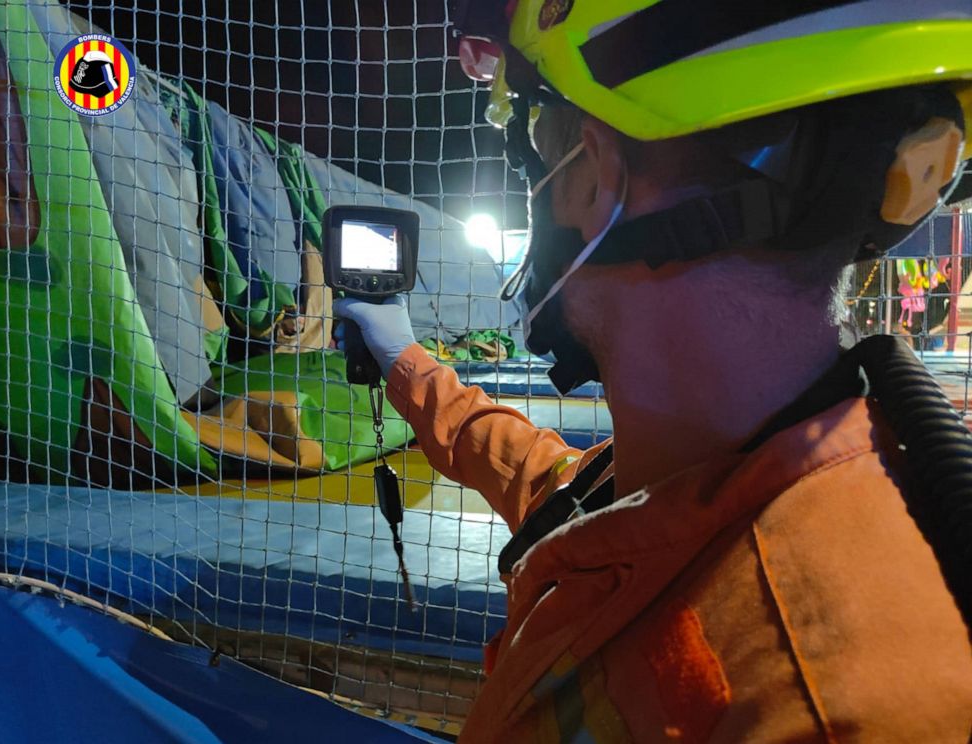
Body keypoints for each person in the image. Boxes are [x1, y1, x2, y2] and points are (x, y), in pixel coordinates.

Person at [335, 3, 972, 740]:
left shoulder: (823, 709)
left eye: (536, 148)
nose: (535, 184)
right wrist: (403, 359)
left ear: (596, 178)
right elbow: (564, 498)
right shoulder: (732, 469)